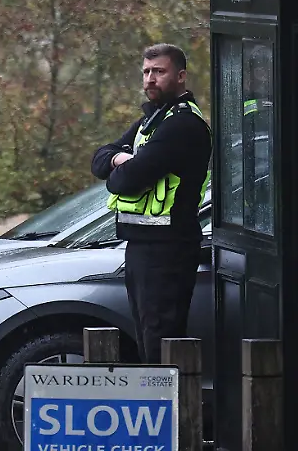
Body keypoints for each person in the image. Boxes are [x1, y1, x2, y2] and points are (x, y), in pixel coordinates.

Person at [90, 43, 212, 364]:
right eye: (146, 72)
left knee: (161, 344)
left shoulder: (182, 124)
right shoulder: (153, 120)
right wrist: (120, 158)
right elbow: (99, 159)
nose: (150, 79)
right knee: (148, 340)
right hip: (143, 247)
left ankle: (169, 398)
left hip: (168, 251)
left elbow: (124, 180)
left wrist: (122, 167)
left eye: (159, 71)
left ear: (181, 76)